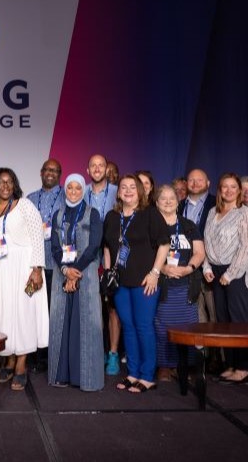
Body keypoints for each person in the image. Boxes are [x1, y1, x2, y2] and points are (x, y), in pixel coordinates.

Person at [104, 175, 169, 393]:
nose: (128, 190)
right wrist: (107, 273)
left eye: (133, 187)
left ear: (140, 191)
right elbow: (107, 247)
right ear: (119, 192)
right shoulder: (112, 217)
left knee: (143, 326)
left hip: (145, 282)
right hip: (121, 283)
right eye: (124, 187)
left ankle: (148, 376)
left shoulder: (149, 214)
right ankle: (133, 373)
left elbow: (164, 244)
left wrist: (155, 273)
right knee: (129, 328)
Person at [0, 168, 48, 391]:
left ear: (15, 185)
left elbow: (37, 238)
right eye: (1, 182)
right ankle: (9, 358)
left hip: (24, 267)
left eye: (9, 182)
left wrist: (37, 269)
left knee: (23, 313)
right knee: (4, 313)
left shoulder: (25, 206)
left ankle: (21, 363)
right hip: (1, 270)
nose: (5, 186)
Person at [49, 174, 104, 391]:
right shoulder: (58, 215)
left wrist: (75, 271)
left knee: (85, 324)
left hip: (85, 275)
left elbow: (94, 246)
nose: (73, 191)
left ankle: (85, 377)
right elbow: (55, 247)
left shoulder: (93, 213)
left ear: (83, 190)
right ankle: (61, 374)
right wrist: (65, 270)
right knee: (61, 323)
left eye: (77, 188)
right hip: (63, 273)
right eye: (69, 188)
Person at [201, 173, 248, 384]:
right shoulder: (211, 212)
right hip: (215, 272)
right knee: (223, 321)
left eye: (233, 187)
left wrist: (230, 274)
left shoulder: (246, 213)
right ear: (219, 189)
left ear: (239, 190)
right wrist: (206, 267)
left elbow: (246, 247)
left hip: (237, 272)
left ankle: (244, 367)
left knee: (239, 320)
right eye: (224, 187)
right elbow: (206, 243)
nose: (228, 190)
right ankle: (232, 364)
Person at [154, 185, 205, 381]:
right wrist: (163, 268)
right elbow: (146, 254)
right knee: (161, 326)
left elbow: (199, 252)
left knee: (188, 326)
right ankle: (165, 366)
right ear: (157, 202)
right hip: (162, 284)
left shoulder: (189, 225)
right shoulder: (152, 225)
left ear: (178, 201)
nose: (167, 201)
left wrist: (188, 268)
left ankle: (187, 365)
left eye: (171, 198)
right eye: (163, 198)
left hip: (185, 284)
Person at [26, 158, 63, 371]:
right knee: (31, 307)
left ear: (60, 174)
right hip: (32, 267)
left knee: (52, 311)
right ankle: (31, 356)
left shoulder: (67, 198)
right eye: (47, 170)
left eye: (55, 170)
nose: (50, 173)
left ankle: (50, 358)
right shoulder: (30, 199)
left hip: (56, 267)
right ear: (41, 172)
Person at [85, 154, 120, 375]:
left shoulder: (118, 192)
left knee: (113, 307)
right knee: (90, 306)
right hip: (88, 256)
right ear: (88, 170)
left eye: (101, 165)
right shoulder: (80, 191)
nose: (97, 169)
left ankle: (114, 355)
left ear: (107, 169)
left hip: (113, 254)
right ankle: (93, 352)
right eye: (93, 166)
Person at [178, 168, 217, 324]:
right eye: (191, 180)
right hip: (188, 267)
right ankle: (200, 349)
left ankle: (217, 349)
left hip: (211, 268)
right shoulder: (179, 206)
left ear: (208, 183)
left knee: (215, 316)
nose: (195, 183)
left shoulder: (217, 203)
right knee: (196, 316)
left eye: (199, 180)